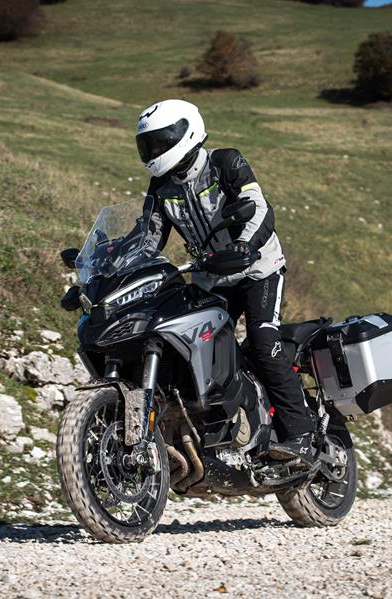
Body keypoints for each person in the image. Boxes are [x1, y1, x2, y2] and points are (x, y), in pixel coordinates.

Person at [135, 98, 315, 464]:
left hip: (257, 269)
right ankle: (222, 430)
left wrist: (245, 246)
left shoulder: (224, 162)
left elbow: (259, 207)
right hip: (211, 279)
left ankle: (301, 435)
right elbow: (147, 240)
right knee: (193, 347)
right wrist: (117, 263)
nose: (154, 150)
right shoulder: (160, 188)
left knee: (264, 342)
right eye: (148, 144)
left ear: (187, 132)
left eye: (160, 141)